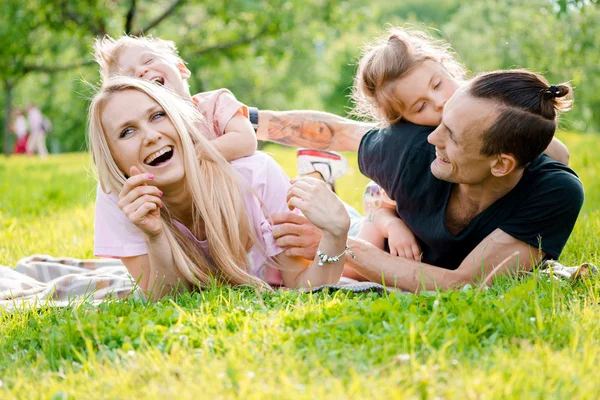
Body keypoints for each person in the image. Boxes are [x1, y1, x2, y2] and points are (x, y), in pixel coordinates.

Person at [264, 69, 584, 291]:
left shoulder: (555, 191)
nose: (433, 137)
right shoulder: (412, 147)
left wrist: (338, 243)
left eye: (453, 136)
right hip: (371, 229)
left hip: (358, 242)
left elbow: (466, 285)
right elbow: (341, 132)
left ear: (501, 165)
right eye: (441, 122)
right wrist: (240, 119)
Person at [89, 77, 352, 300]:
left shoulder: (256, 177)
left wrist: (336, 234)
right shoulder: (122, 201)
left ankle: (319, 172)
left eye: (158, 116)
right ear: (113, 158)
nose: (151, 136)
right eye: (127, 132)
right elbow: (166, 300)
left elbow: (305, 287)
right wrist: (154, 235)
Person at [94, 35, 258, 162]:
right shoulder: (148, 135)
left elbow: (245, 139)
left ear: (181, 69)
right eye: (130, 77)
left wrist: (191, 157)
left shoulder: (215, 104)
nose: (141, 71)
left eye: (149, 60)